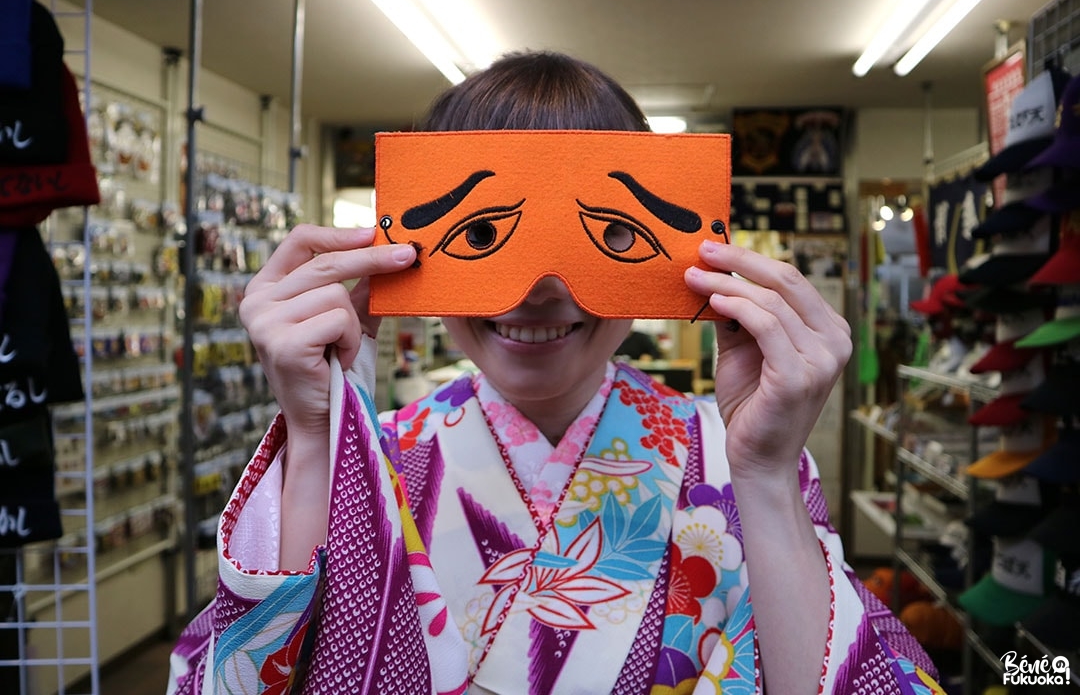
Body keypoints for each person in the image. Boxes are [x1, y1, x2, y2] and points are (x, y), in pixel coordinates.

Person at [168, 52, 943, 694]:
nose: (539, 285)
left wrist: (768, 477)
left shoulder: (737, 454)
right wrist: (316, 431)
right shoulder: (368, 459)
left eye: (604, 233)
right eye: (481, 234)